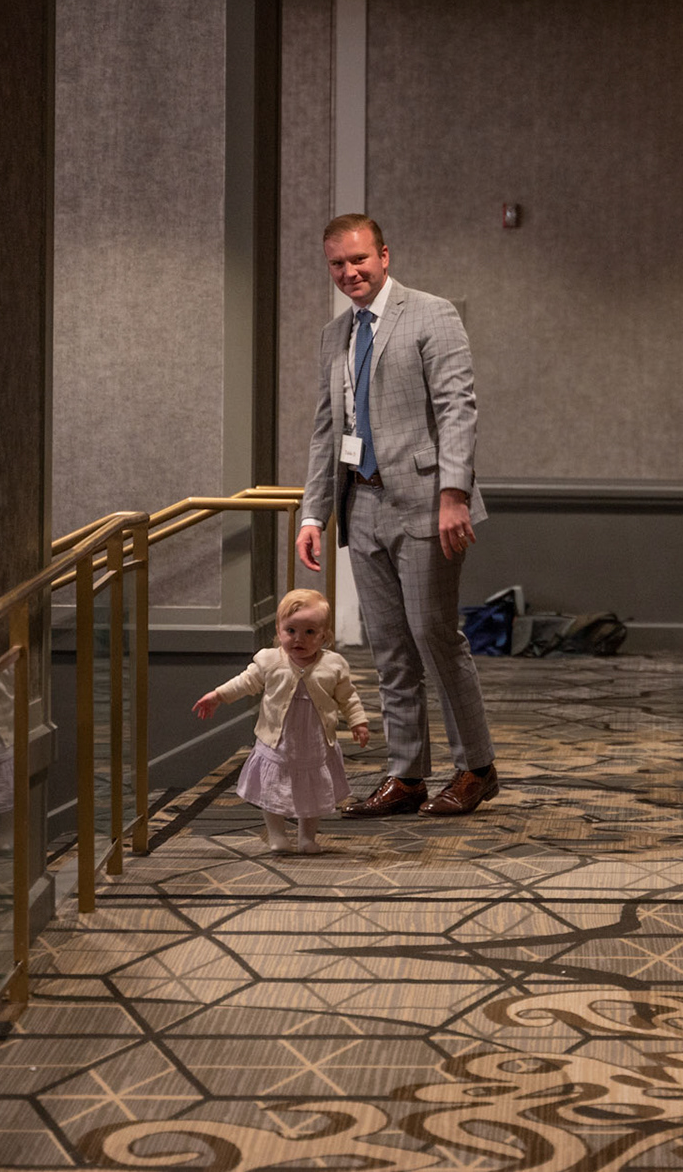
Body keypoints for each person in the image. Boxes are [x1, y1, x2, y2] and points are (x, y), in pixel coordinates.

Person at [294, 214, 500, 819]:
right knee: (388, 648)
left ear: (384, 255)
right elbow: (326, 430)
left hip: (427, 504)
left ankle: (476, 767)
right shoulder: (336, 334)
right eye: (337, 264)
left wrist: (454, 494)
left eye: (359, 259)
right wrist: (314, 512)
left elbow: (457, 408)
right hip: (363, 504)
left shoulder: (430, 314)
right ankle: (406, 774)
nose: (350, 272)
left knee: (434, 636)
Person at [193, 588, 368, 855]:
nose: (299, 639)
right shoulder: (270, 661)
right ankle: (276, 835)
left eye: (310, 632)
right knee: (272, 788)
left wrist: (358, 722)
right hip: (278, 741)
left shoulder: (333, 665)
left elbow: (348, 698)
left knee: (312, 790)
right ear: (279, 629)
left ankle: (307, 837)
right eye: (291, 631)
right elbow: (245, 682)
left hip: (315, 742)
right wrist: (218, 696)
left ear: (325, 635)